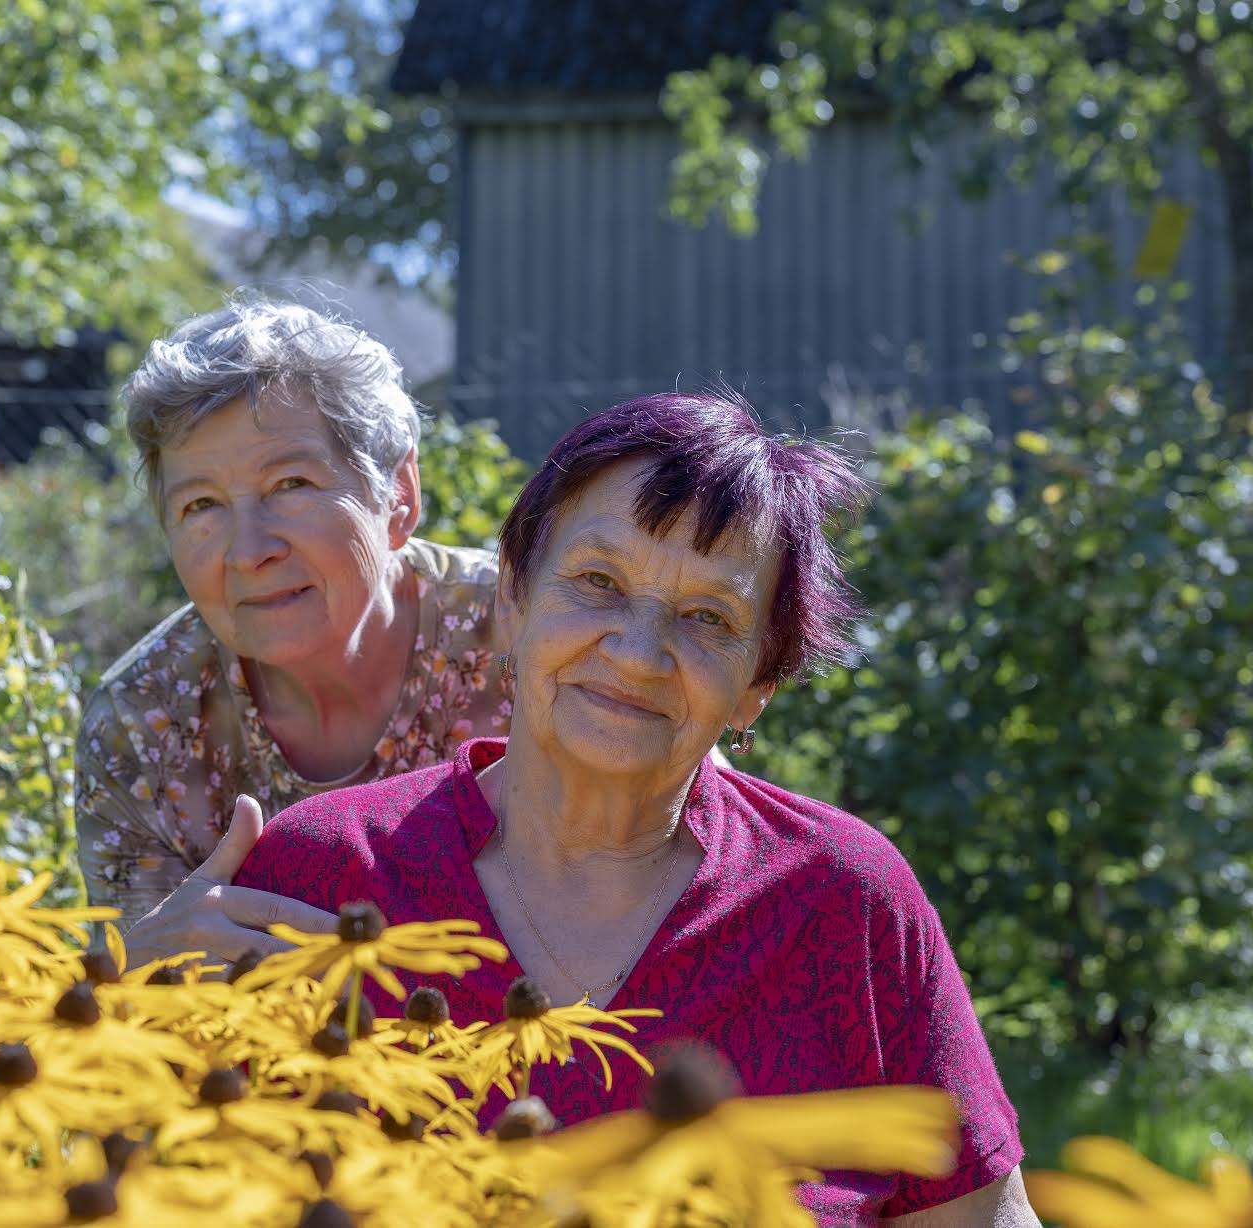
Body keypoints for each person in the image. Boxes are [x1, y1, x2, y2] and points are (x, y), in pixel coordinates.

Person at [232, 389, 1038, 1226]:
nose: (639, 652)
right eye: (597, 581)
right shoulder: (322, 879)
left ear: (757, 686)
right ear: (512, 599)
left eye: (707, 618)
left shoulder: (845, 904)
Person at [75, 298, 509, 950]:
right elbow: (136, 999)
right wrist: (149, 971)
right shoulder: (145, 726)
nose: (249, 551)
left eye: (291, 484)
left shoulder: (532, 638)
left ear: (399, 495)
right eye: (201, 505)